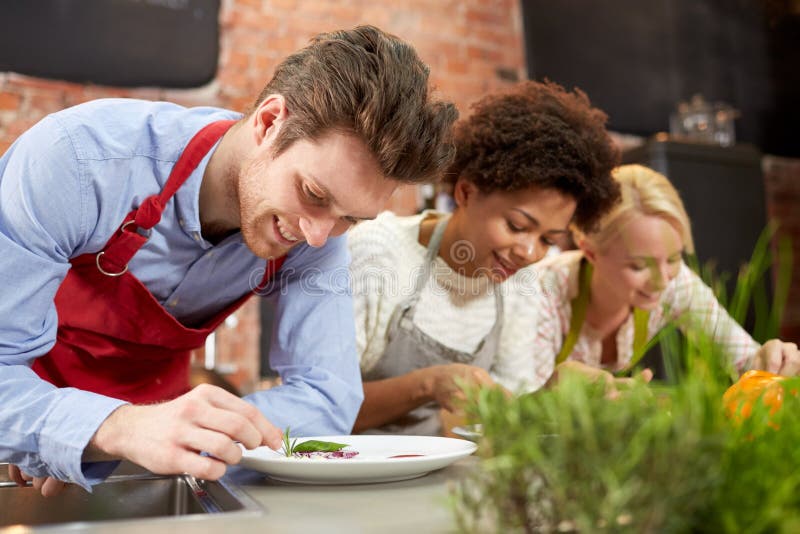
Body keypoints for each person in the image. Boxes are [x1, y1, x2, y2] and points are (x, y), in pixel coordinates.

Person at [0, 25, 458, 495]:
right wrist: (100, 430)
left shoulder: (319, 230)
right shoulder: (78, 160)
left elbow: (328, 398)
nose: (319, 237)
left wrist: (199, 433)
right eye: (313, 194)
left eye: (351, 219)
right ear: (269, 122)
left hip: (161, 467)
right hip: (21, 454)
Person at [348, 80, 621, 435]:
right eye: (517, 225)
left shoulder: (520, 283)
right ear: (466, 191)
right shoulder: (378, 254)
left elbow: (503, 419)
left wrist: (551, 394)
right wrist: (427, 385)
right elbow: (319, 407)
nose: (528, 252)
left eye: (548, 240)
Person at [533, 164, 800, 383]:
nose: (661, 280)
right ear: (590, 253)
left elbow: (743, 359)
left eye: (673, 258)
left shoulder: (677, 283)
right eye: (639, 266)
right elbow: (517, 400)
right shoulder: (542, 290)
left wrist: (771, 361)